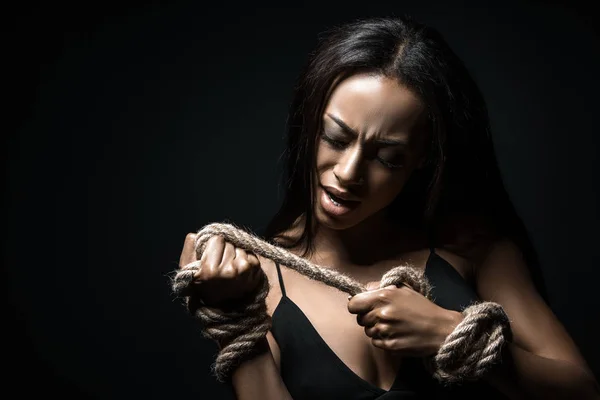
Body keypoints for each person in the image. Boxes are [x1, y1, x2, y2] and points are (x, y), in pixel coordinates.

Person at [178, 16, 599, 399]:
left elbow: (582, 392)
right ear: (309, 126)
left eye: (388, 157)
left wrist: (447, 333)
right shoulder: (254, 281)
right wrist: (235, 323)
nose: (348, 172)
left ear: (423, 160)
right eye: (335, 138)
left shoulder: (472, 249)